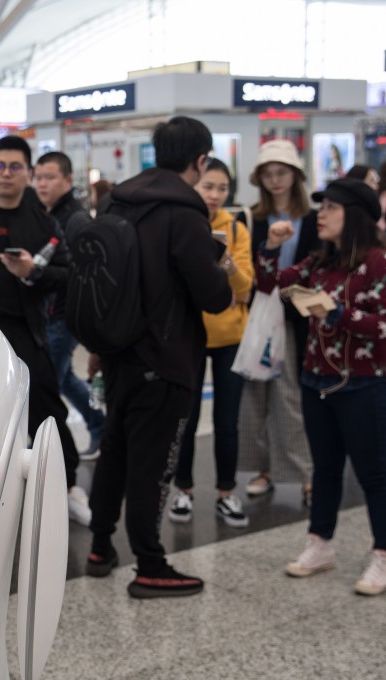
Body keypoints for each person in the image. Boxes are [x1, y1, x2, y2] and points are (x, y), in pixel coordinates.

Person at [85, 116, 233, 598]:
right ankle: (150, 564)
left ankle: (99, 546)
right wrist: (221, 267)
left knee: (116, 454)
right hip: (164, 358)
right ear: (200, 160)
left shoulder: (118, 200)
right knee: (153, 464)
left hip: (119, 349)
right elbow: (212, 296)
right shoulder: (185, 212)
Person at [258, 178, 386, 596]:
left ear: (356, 216)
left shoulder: (378, 262)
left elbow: (381, 325)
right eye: (322, 207)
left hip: (364, 384)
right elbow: (269, 286)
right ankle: (320, 543)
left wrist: (339, 315)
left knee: (374, 473)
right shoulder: (317, 262)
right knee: (324, 468)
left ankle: (382, 553)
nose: (322, 215)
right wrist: (273, 247)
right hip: (316, 380)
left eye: (331, 207)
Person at [0, 135, 90, 527]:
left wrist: (33, 272)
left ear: (27, 173)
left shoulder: (44, 222)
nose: (7, 174)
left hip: (26, 328)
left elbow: (68, 274)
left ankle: (68, 482)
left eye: (15, 167)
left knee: (47, 405)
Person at [168, 158, 255, 528]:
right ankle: (183, 491)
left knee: (227, 421)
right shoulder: (181, 223)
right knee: (185, 418)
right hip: (191, 335)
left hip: (230, 337)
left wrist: (230, 266)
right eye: (208, 186)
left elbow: (246, 288)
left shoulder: (235, 229)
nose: (215, 195)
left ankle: (225, 491)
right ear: (194, 186)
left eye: (222, 188)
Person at [238, 140, 318, 506]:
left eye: (281, 172)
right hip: (259, 319)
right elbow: (251, 273)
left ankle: (307, 473)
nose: (275, 180)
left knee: (291, 400)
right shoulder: (251, 218)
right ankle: (263, 470)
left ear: (296, 175)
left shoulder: (315, 219)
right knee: (254, 400)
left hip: (298, 319)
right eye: (268, 174)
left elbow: (317, 271)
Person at [33, 151, 106, 461]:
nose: (42, 184)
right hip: (47, 314)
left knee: (51, 382)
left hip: (63, 316)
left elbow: (83, 274)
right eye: (38, 178)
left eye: (49, 178)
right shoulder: (44, 214)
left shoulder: (74, 220)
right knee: (62, 379)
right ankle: (100, 425)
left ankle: (91, 432)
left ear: (66, 179)